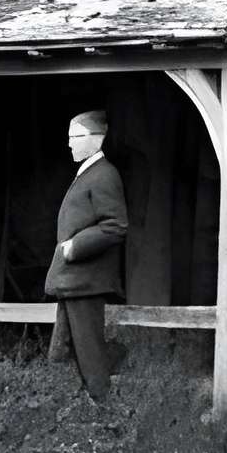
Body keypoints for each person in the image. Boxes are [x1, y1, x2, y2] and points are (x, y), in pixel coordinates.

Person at [48, 109, 129, 403]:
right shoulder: (88, 173)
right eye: (69, 138)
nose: (70, 144)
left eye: (76, 137)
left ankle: (104, 409)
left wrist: (74, 247)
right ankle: (68, 409)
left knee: (89, 350)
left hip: (86, 280)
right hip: (74, 280)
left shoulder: (105, 175)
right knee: (63, 350)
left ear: (98, 139)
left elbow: (116, 225)